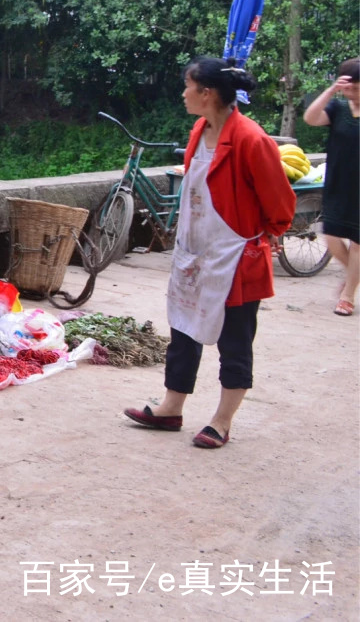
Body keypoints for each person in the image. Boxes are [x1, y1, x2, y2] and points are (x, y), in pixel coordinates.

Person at [124, 58, 295, 448]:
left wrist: (254, 243)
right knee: (184, 330)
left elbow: (281, 207)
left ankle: (221, 420)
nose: (183, 93)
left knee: (235, 340)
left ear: (207, 93)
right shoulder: (200, 129)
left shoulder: (251, 140)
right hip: (195, 252)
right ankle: (171, 407)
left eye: (188, 85)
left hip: (234, 258)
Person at [301, 57, 359, 316]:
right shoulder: (337, 109)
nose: (351, 93)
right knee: (332, 236)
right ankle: (352, 277)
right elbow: (311, 118)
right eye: (347, 88)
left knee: (358, 242)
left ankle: (347, 296)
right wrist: (330, 91)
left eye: (355, 88)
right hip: (338, 182)